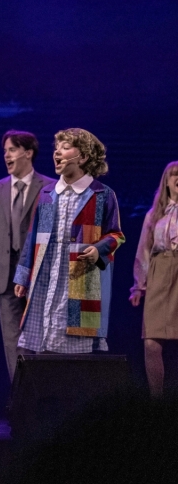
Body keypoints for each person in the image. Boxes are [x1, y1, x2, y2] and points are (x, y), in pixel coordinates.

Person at [14, 129, 124, 354]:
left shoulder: (101, 194)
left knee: (74, 342)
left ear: (82, 157)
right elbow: (33, 237)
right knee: (42, 339)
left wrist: (98, 249)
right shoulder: (47, 193)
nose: (58, 152)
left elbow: (116, 235)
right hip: (47, 274)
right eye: (57, 148)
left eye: (65, 148)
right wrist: (23, 277)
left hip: (80, 276)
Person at [0, 131, 53, 382]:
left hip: (38, 274)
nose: (6, 155)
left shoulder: (50, 187)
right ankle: (21, 398)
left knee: (39, 336)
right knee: (12, 339)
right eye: (5, 151)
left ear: (28, 152)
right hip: (5, 273)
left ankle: (41, 396)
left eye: (11, 150)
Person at [130, 160, 178, 397]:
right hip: (159, 273)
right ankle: (156, 401)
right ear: (166, 181)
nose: (177, 179)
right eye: (173, 175)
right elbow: (144, 251)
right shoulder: (153, 214)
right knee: (151, 342)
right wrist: (139, 286)